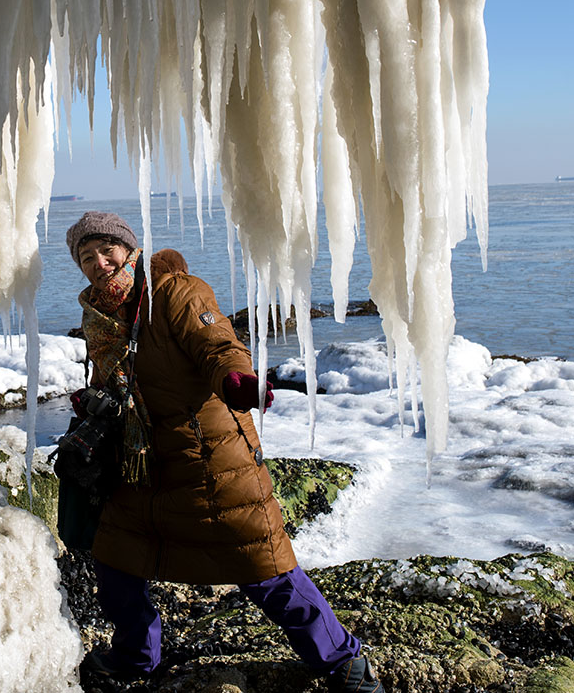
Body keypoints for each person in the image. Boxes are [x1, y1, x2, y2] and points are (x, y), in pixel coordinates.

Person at [64, 211, 385, 693]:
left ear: (130, 250)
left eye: (106, 250)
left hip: (207, 460)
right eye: (86, 257)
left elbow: (217, 345)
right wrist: (92, 399)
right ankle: (136, 656)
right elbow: (121, 380)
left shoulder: (175, 291)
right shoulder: (101, 317)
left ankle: (345, 664)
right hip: (141, 464)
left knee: (264, 568)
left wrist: (237, 381)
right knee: (116, 559)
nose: (98, 263)